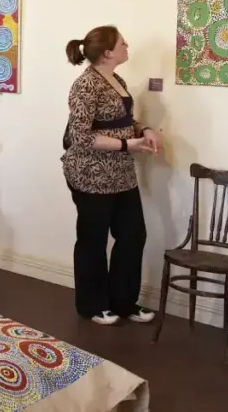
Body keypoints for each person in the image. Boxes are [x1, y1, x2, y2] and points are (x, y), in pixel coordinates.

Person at [63, 25, 163, 326]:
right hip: (91, 174)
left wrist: (144, 130)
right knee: (93, 241)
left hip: (120, 173)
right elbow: (81, 136)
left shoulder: (116, 79)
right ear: (107, 52)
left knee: (133, 234)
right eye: (122, 43)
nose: (127, 45)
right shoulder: (85, 85)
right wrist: (126, 144)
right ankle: (92, 305)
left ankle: (123, 301)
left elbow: (123, 120)